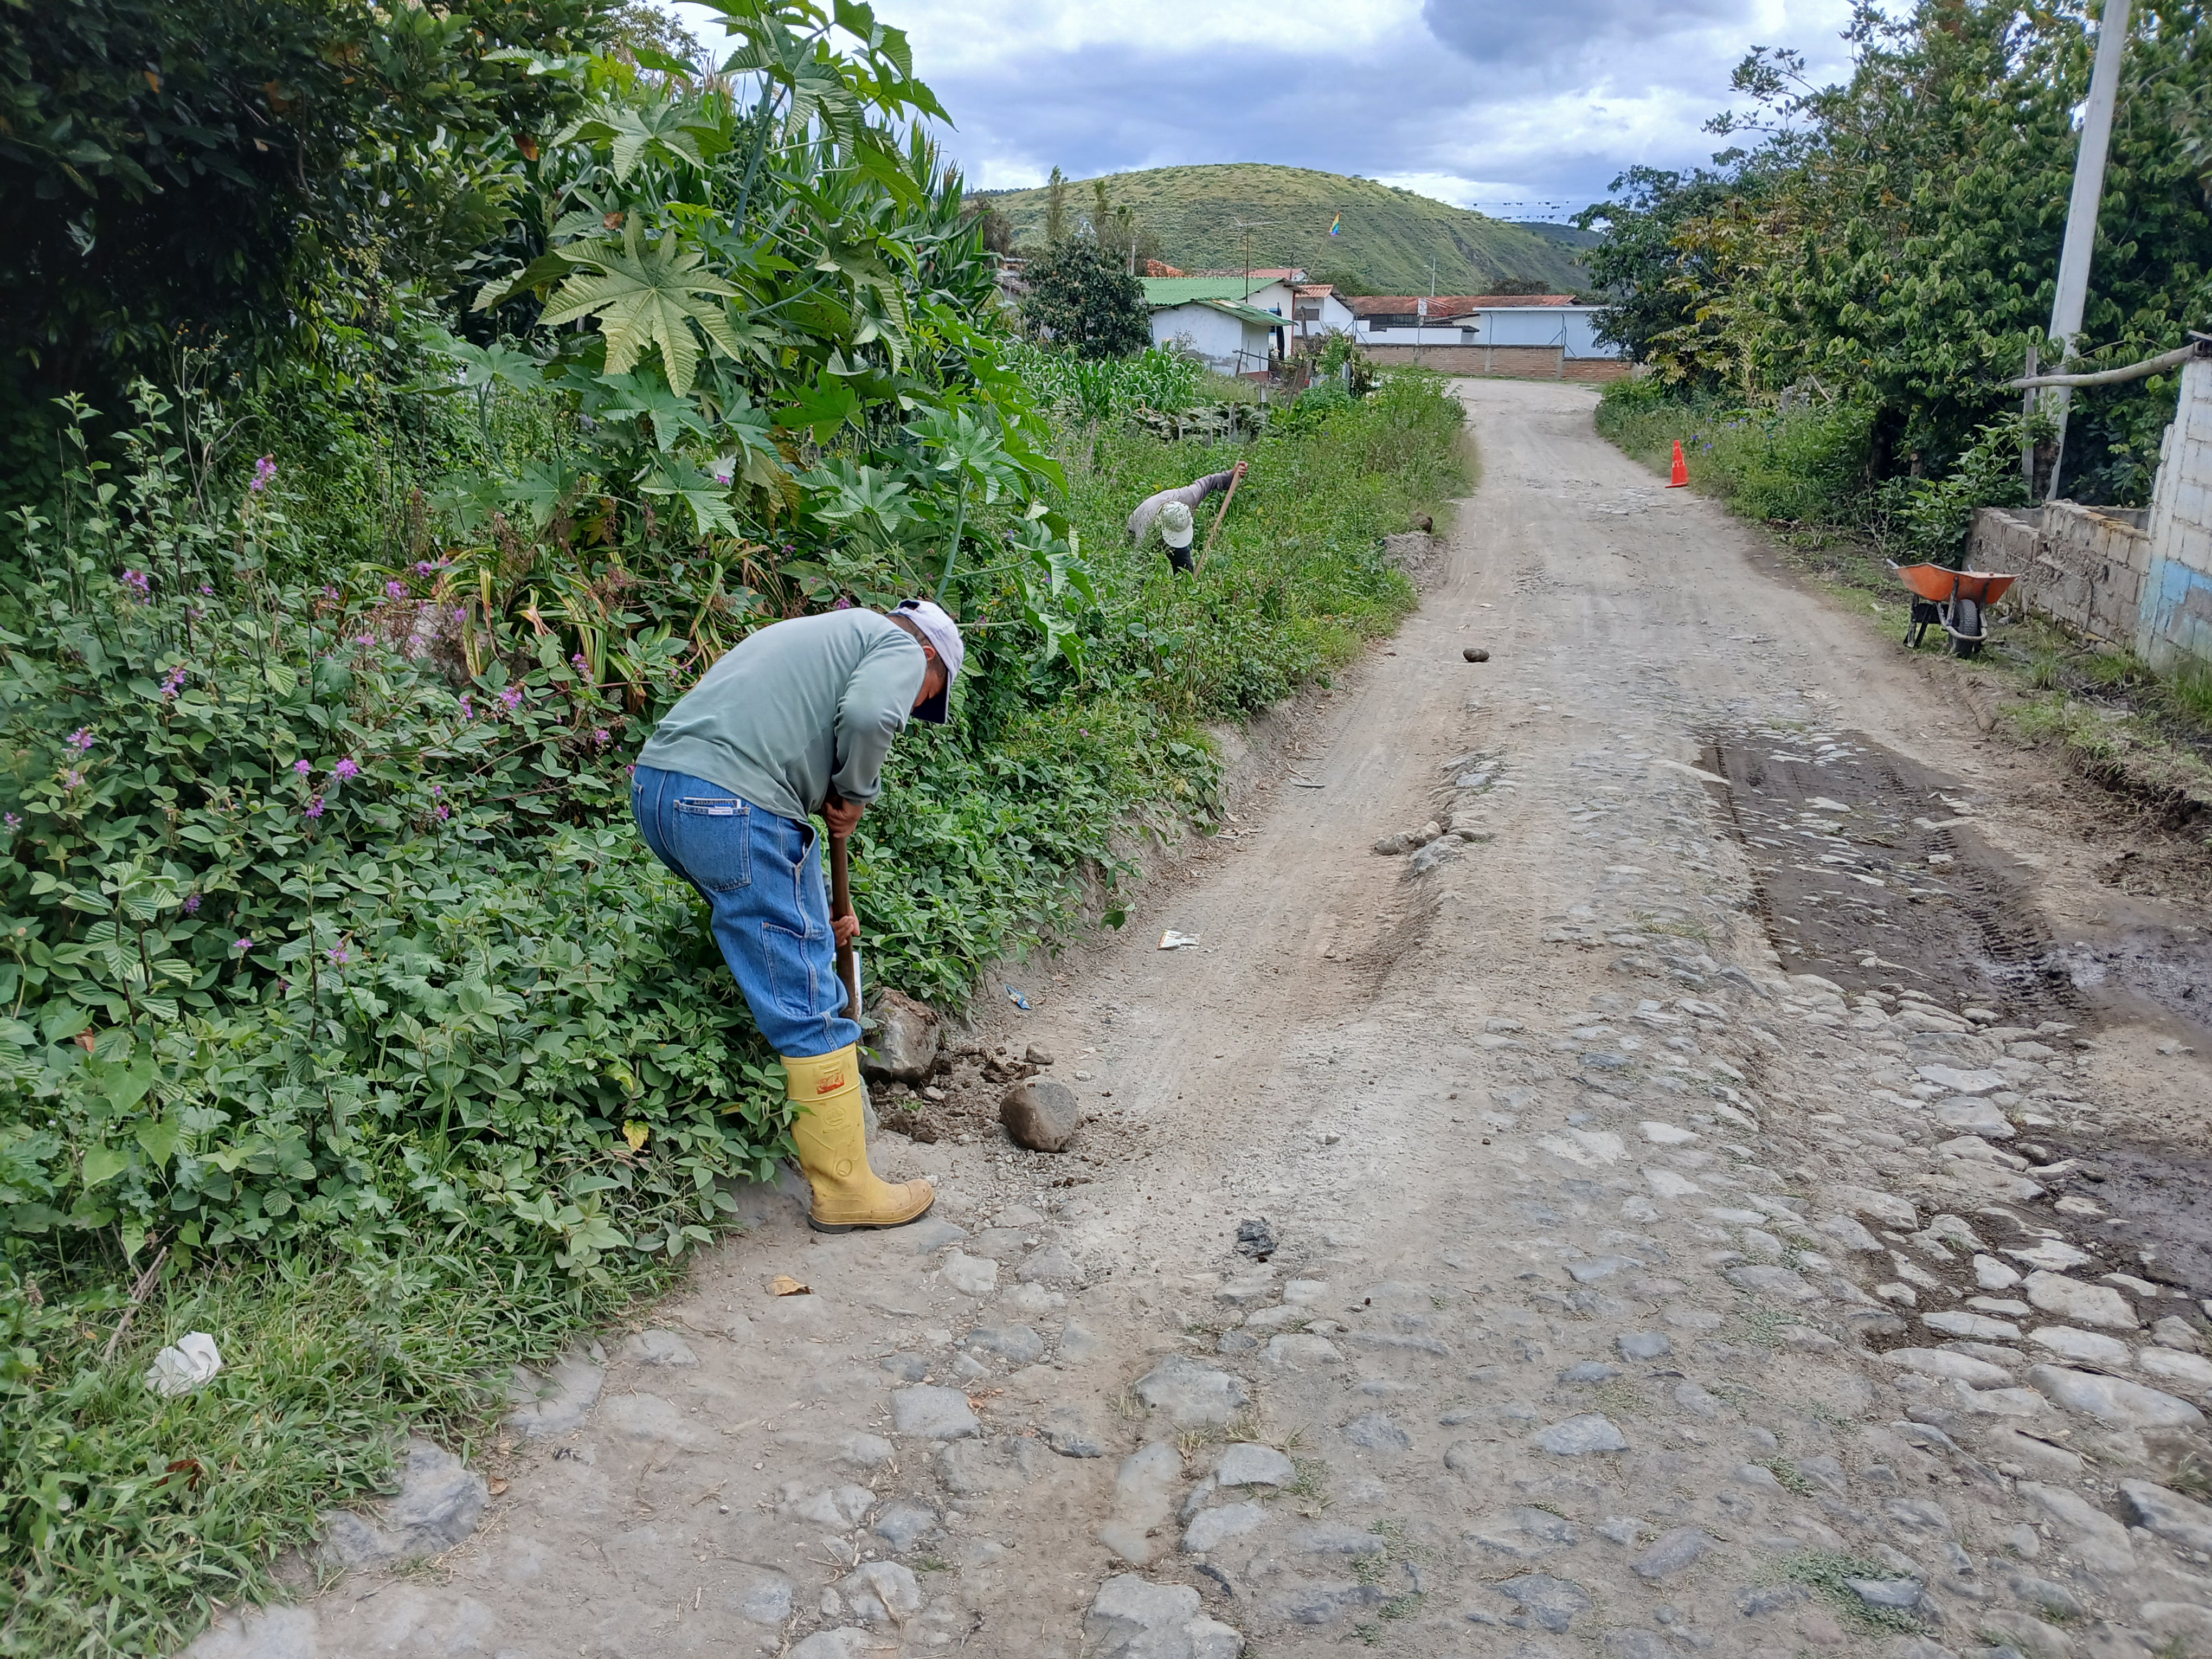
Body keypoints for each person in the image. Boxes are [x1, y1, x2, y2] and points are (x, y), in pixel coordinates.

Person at [629, 599, 963, 1233]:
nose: (915, 709)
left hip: (661, 791)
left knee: (784, 936)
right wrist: (857, 792)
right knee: (807, 994)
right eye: (927, 695)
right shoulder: (898, 645)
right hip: (731, 804)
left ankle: (811, 1124)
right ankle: (845, 1189)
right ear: (929, 656)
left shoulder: (820, 635)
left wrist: (817, 910)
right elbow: (869, 715)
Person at [1128, 458, 1247, 573]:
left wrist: (1231, 475)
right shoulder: (1146, 528)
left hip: (1167, 524)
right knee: (1140, 568)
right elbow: (1137, 565)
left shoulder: (1189, 497)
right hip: (1136, 526)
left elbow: (1211, 481)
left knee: (1185, 570)